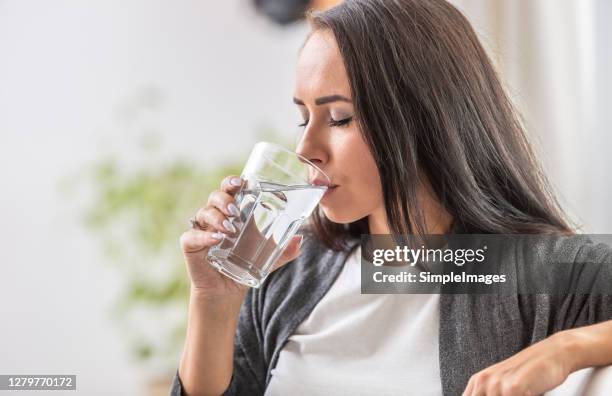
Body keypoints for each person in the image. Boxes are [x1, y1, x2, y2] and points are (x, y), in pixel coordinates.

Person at [171, 1, 612, 395]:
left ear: (423, 118)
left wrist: (568, 348)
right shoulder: (291, 272)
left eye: (339, 118)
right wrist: (213, 301)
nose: (306, 150)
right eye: (303, 118)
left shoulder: (530, 271)